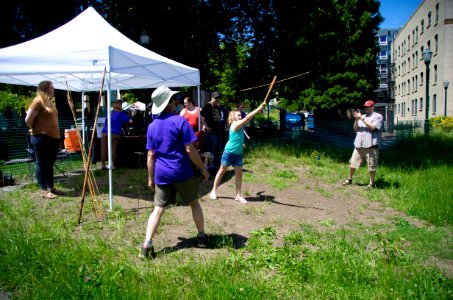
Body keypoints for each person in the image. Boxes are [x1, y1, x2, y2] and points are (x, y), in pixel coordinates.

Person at [139, 85, 209, 259]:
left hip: (162, 174)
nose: (176, 103)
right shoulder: (180, 121)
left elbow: (150, 155)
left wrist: (151, 178)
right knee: (194, 203)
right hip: (182, 172)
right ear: (170, 104)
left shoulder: (152, 126)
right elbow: (190, 150)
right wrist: (202, 167)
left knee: (158, 210)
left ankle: (147, 245)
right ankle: (201, 237)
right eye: (174, 100)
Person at [209, 101, 266, 204]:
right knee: (222, 171)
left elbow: (240, 133)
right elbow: (247, 118)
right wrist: (258, 109)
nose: (240, 116)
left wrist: (241, 144)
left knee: (239, 174)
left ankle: (238, 195)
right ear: (233, 117)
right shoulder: (235, 124)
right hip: (229, 152)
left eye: (240, 115)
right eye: (238, 115)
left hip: (238, 153)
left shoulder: (240, 126)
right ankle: (213, 191)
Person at [25, 80, 63, 199]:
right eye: (51, 88)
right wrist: (35, 129)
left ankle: (51, 187)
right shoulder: (38, 101)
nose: (53, 90)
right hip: (41, 137)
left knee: (49, 164)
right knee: (41, 163)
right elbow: (28, 120)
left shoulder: (49, 102)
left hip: (53, 137)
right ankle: (44, 190)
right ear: (45, 88)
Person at [342, 100, 383, 189]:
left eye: (368, 107)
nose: (367, 108)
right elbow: (355, 129)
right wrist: (357, 120)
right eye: (365, 107)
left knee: (371, 166)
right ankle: (349, 179)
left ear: (372, 107)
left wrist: (362, 119)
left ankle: (371, 184)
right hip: (359, 145)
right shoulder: (362, 117)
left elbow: (373, 128)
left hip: (371, 146)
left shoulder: (378, 116)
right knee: (353, 163)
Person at [100, 100, 131, 170]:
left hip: (104, 132)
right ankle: (112, 165)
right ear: (120, 106)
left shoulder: (109, 113)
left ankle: (102, 165)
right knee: (113, 149)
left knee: (103, 148)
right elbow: (130, 121)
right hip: (115, 133)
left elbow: (105, 122)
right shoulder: (121, 114)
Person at [201, 91, 223, 169]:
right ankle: (210, 168)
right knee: (211, 150)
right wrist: (205, 126)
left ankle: (217, 167)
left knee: (218, 150)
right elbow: (201, 116)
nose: (217, 99)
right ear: (212, 97)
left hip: (218, 131)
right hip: (211, 132)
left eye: (218, 98)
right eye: (216, 98)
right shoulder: (207, 106)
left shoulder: (218, 107)